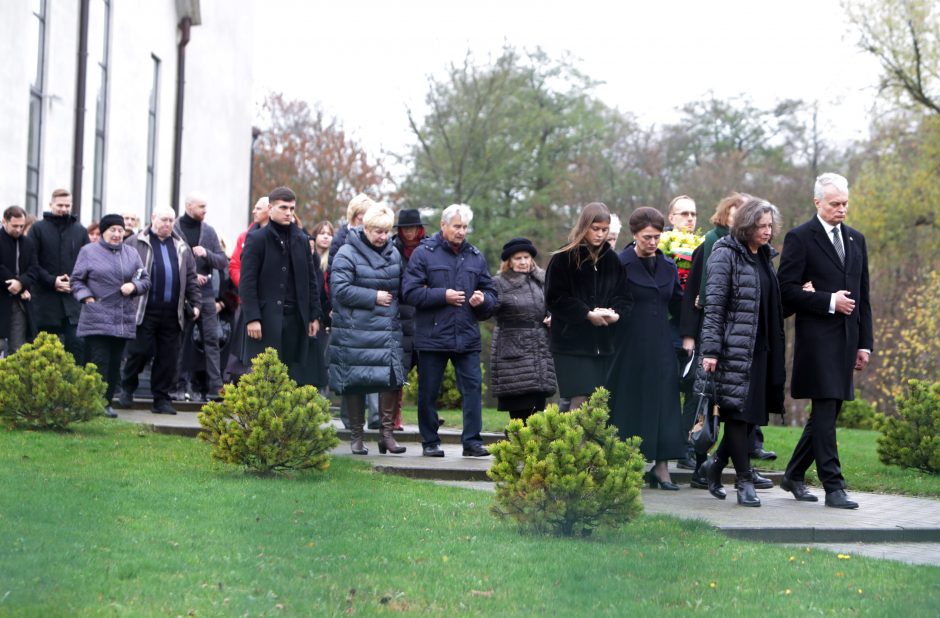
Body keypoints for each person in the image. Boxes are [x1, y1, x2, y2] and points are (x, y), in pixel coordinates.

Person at [778, 173, 872, 510]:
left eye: (845, 203)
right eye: (835, 204)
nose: (842, 209)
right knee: (826, 409)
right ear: (818, 202)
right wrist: (828, 300)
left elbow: (863, 296)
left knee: (826, 415)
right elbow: (784, 291)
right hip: (817, 341)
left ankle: (793, 474)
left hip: (847, 342)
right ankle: (834, 486)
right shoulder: (800, 238)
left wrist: (865, 344)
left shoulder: (856, 239)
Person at [698, 198, 787, 507]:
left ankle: (715, 464)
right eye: (762, 226)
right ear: (747, 226)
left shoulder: (764, 256)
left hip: (762, 348)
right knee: (737, 414)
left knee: (751, 418)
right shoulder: (725, 254)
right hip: (733, 349)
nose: (768, 231)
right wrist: (710, 350)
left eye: (770, 225)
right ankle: (744, 481)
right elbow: (714, 306)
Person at [402, 203, 497, 458]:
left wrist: (483, 301)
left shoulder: (476, 256)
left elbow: (491, 294)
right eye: (457, 226)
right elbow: (409, 291)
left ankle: (472, 442)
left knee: (473, 388)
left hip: (466, 335)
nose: (461, 231)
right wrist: (442, 295)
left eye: (465, 227)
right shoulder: (424, 254)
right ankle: (430, 441)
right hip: (432, 336)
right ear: (443, 226)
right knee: (428, 392)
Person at [607, 207, 686, 490]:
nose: (652, 242)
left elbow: (678, 303)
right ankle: (626, 463)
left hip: (662, 344)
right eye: (647, 237)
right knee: (630, 400)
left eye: (657, 237)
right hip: (628, 344)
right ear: (635, 235)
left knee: (665, 402)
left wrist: (689, 333)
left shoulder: (668, 266)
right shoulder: (619, 263)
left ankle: (662, 467)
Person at [329, 204, 406, 455]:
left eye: (386, 231)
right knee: (356, 383)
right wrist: (373, 296)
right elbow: (340, 290)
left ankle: (386, 435)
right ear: (365, 228)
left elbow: (401, 289)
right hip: (356, 330)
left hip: (388, 328)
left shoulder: (394, 254)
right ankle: (356, 436)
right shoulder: (346, 252)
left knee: (391, 381)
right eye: (377, 231)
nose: (382, 237)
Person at [118, 207, 201, 415]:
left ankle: (161, 399)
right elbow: (123, 272)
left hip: (173, 311)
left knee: (168, 357)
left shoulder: (181, 246)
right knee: (139, 351)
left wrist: (196, 302)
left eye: (171, 220)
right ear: (153, 218)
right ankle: (127, 389)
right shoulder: (135, 242)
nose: (168, 224)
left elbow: (191, 277)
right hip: (143, 309)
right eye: (164, 219)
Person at [545, 202, 627, 412]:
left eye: (604, 230)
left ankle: (586, 444)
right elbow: (555, 298)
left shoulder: (612, 260)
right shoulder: (564, 257)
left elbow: (624, 296)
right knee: (580, 399)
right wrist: (586, 314)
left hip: (604, 343)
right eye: (595, 229)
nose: (600, 234)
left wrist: (616, 314)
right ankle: (574, 445)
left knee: (598, 402)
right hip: (571, 343)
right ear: (584, 226)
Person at [70, 215, 150, 417]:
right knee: (99, 361)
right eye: (112, 230)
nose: (116, 234)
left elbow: (144, 279)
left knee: (115, 363)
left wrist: (134, 286)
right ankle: (93, 402)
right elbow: (77, 281)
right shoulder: (88, 252)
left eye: (120, 230)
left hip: (122, 319)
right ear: (103, 232)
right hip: (97, 316)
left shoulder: (131, 253)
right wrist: (87, 298)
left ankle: (106, 403)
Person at [239, 186, 322, 370]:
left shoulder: (301, 239)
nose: (288, 213)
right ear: (270, 209)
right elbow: (247, 283)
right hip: (265, 320)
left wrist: (314, 315)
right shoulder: (256, 239)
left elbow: (311, 281)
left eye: (292, 209)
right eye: (283, 208)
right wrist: (252, 317)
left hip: (295, 320)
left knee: (291, 379)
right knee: (264, 377)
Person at [489, 237, 556, 421]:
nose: (523, 262)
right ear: (509, 261)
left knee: (536, 410)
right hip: (513, 353)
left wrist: (552, 316)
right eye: (518, 258)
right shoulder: (498, 283)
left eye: (526, 257)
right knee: (519, 410)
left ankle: (527, 446)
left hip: (540, 349)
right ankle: (517, 444)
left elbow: (552, 304)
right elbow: (488, 310)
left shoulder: (542, 280)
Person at [330, 194, 381, 429]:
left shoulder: (377, 240)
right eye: (362, 217)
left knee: (372, 362)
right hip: (349, 310)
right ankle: (350, 418)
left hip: (373, 309)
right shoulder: (342, 241)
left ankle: (375, 416)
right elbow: (335, 279)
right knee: (350, 366)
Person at [173, 192, 229, 400]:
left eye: (205, 207)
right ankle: (177, 386)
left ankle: (216, 387)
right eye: (201, 207)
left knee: (212, 341)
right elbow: (169, 260)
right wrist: (191, 276)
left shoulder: (209, 231)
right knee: (180, 341)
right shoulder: (175, 229)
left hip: (206, 297)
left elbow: (223, 261)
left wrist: (206, 253)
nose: (205, 211)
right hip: (182, 295)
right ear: (189, 206)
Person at [28, 188, 90, 363]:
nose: (64, 209)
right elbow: (32, 262)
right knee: (44, 351)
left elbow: (87, 263)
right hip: (45, 301)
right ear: (51, 204)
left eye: (67, 205)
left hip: (72, 301)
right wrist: (52, 280)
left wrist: (74, 282)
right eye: (60, 205)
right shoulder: (38, 229)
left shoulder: (80, 231)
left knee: (76, 346)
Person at [390, 208, 427, 430]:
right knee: (398, 372)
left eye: (413, 227)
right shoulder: (392, 249)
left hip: (424, 316)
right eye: (405, 228)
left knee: (428, 373)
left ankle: (427, 417)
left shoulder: (430, 248)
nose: (409, 232)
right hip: (399, 317)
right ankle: (394, 417)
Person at [0, 206, 39, 356]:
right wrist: (16, 284)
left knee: (17, 349)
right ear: (5, 221)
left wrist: (20, 283)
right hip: (3, 296)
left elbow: (34, 268)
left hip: (19, 302)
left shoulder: (28, 243)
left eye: (21, 226)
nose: (18, 230)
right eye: (14, 226)